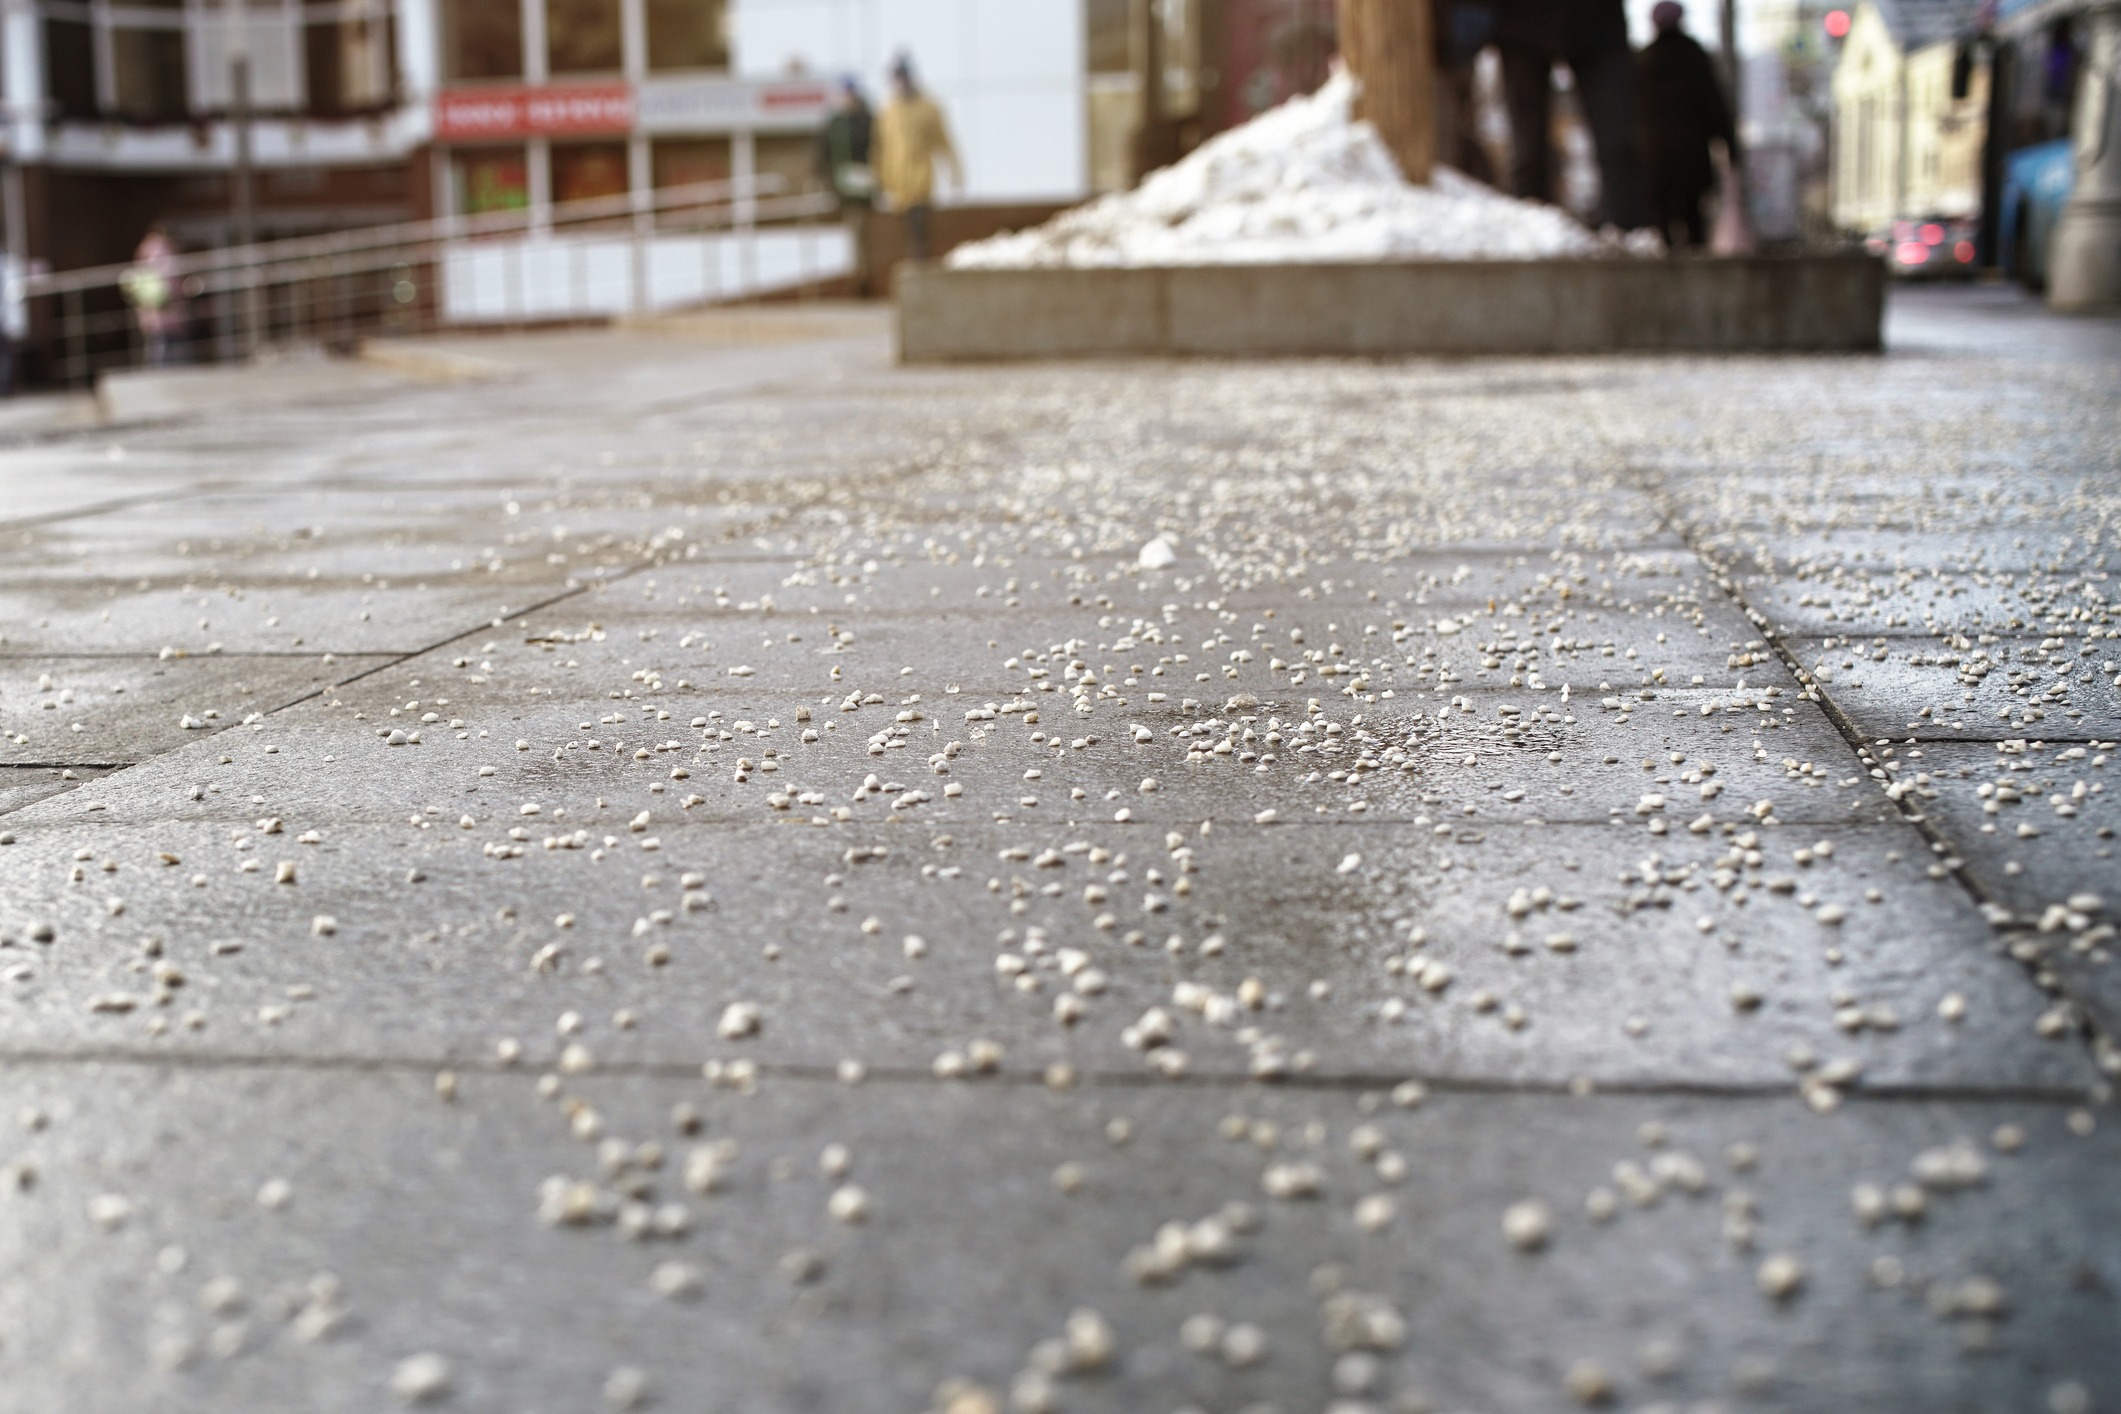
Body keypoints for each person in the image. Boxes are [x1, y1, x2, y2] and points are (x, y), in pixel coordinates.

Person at [1493, 0, 1647, 230]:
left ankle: (1629, 234)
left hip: (1599, 24)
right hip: (1520, 25)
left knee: (1618, 146)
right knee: (1527, 153)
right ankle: (1531, 236)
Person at [1635, 1, 1739, 250]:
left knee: (1660, 223)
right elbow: (1714, 104)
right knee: (1693, 220)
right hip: (1691, 155)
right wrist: (1730, 147)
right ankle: (1695, 273)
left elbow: (1628, 113)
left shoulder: (1643, 60)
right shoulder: (1694, 55)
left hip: (1653, 157)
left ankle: (1664, 273)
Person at [876, 55, 959, 264]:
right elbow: (881, 149)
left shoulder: (928, 108)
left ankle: (920, 270)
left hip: (921, 181)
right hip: (896, 184)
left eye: (904, 77)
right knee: (897, 235)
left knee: (920, 230)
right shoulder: (888, 112)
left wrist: (955, 172)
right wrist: (881, 181)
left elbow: (944, 143)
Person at [816, 76, 878, 296]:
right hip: (843, 190)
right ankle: (858, 276)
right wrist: (827, 182)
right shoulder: (834, 123)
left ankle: (862, 277)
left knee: (862, 232)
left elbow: (878, 151)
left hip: (865, 190)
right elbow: (822, 155)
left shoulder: (868, 120)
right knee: (852, 234)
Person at [121, 225, 182, 367]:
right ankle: (158, 371)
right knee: (163, 346)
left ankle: (155, 370)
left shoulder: (145, 249)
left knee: (156, 344)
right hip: (164, 310)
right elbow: (169, 278)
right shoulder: (161, 249)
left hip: (151, 311)